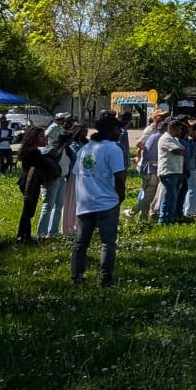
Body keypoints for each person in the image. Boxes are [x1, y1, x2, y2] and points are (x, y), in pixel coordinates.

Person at [69, 112, 131, 288]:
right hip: (107, 202)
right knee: (108, 243)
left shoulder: (85, 149)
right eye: (118, 128)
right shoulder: (113, 149)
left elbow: (77, 174)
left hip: (85, 202)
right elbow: (120, 177)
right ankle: (105, 279)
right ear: (111, 130)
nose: (120, 131)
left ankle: (77, 277)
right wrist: (120, 197)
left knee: (81, 243)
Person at [14, 128, 57, 243]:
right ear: (34, 138)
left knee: (28, 211)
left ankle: (24, 236)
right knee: (28, 211)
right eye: (41, 137)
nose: (44, 138)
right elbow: (43, 165)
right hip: (30, 182)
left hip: (31, 182)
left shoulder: (29, 150)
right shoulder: (33, 152)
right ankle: (22, 237)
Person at [155, 117, 192, 225]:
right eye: (179, 129)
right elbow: (177, 151)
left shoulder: (175, 139)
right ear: (172, 128)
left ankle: (170, 218)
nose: (180, 132)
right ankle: (163, 220)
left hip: (176, 171)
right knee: (169, 196)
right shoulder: (166, 138)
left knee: (173, 196)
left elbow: (183, 150)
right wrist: (183, 151)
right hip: (168, 172)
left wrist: (183, 151)